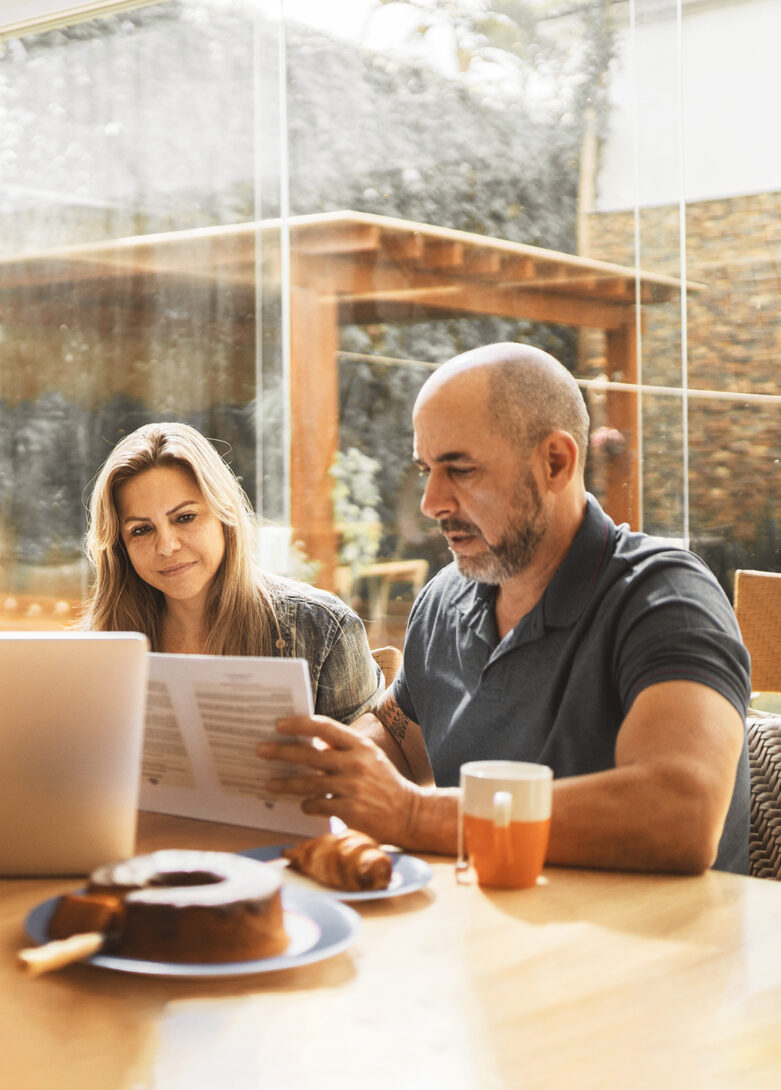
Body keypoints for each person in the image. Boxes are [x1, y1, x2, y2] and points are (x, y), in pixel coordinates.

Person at [261, 343, 752, 874]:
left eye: (461, 469)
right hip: (486, 935)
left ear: (555, 462)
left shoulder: (665, 598)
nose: (431, 502)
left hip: (655, 948)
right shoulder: (444, 599)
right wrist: (303, 769)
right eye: (426, 468)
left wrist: (413, 814)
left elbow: (679, 815)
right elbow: (402, 745)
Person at [81, 422, 382, 724]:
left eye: (185, 517)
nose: (167, 546)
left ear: (224, 518)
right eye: (142, 529)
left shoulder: (323, 629)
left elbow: (369, 767)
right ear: (121, 547)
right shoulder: (98, 648)